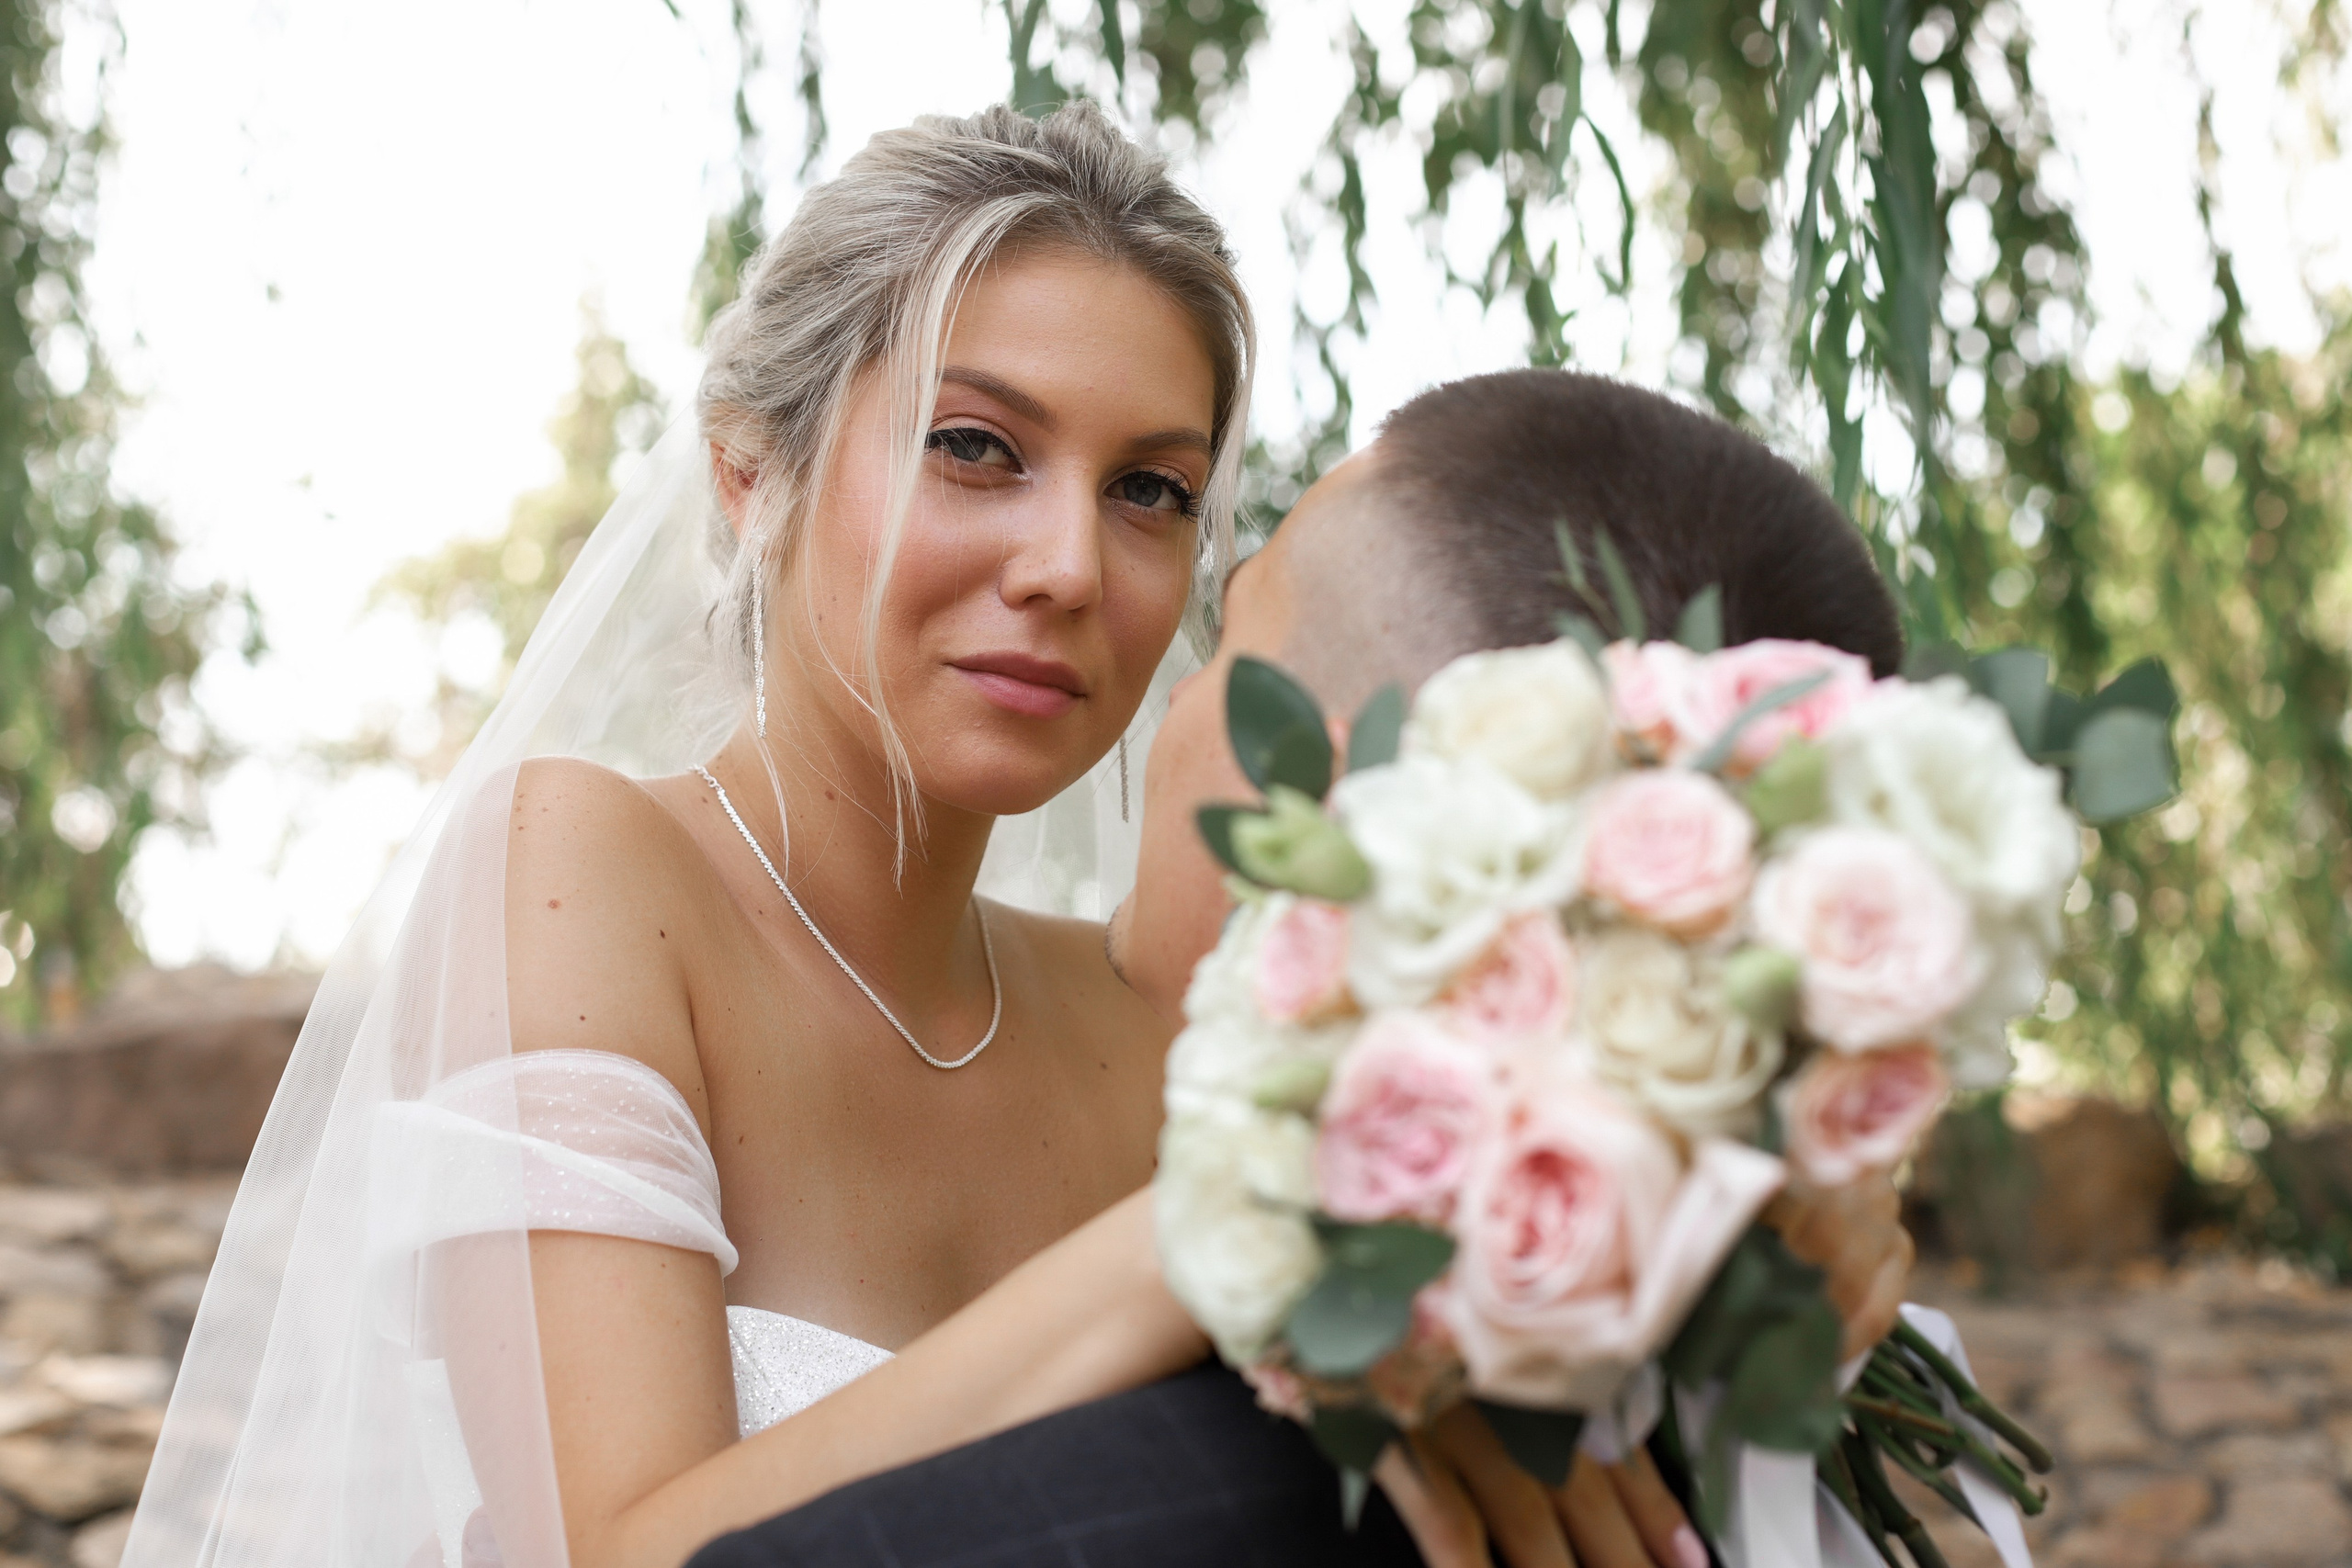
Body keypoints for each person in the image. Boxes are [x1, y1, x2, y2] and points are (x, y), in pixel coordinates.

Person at [123, 101, 1254, 1568]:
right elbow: (620, 1549)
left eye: (1150, 490)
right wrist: (1199, 1248)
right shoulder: (586, 869)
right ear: (749, 476)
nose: (1067, 566)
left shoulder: (1161, 1024)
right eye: (976, 447)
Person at [686, 367, 1919, 1568]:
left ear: (1356, 807)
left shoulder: (981, 1533)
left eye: (1227, 646)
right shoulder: (1792, 1371)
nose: (1164, 709)